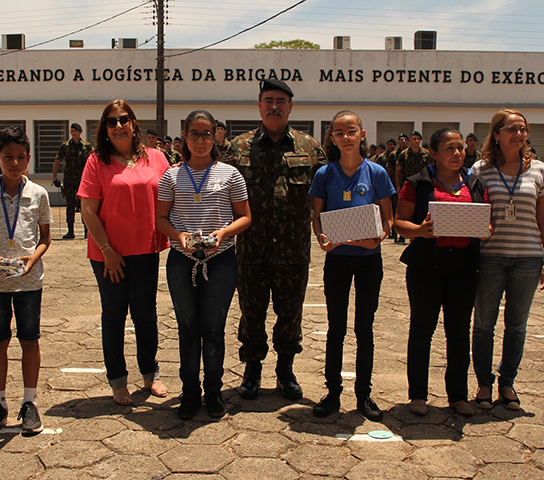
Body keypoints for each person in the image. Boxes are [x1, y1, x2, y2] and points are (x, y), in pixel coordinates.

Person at [226, 79, 326, 401]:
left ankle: (285, 371)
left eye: (281, 101)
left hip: (293, 252)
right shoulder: (238, 147)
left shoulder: (309, 148)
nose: (274, 106)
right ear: (258, 106)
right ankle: (252, 371)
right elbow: (220, 193)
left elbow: (329, 196)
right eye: (268, 100)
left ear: (291, 107)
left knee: (290, 315)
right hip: (251, 251)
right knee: (251, 315)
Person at [156, 110, 251, 420]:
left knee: (213, 328)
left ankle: (213, 392)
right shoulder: (171, 175)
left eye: (206, 133)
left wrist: (222, 233)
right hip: (182, 262)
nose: (200, 140)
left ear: (216, 136)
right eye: (194, 134)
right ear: (185, 137)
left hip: (220, 260)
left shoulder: (230, 174)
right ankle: (190, 393)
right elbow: (159, 219)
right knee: (187, 328)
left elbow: (245, 217)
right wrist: (179, 235)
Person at [78, 99, 169, 406]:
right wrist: (107, 250)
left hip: (145, 250)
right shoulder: (96, 162)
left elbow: (173, 196)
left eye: (124, 119)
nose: (119, 126)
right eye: (112, 121)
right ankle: (118, 380)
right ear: (105, 129)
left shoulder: (155, 157)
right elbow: (88, 211)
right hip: (108, 255)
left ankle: (150, 373)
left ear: (134, 124)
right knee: (115, 315)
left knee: (146, 315)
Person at [394, 128, 488, 417]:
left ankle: (458, 396)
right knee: (422, 330)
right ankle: (418, 396)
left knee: (458, 332)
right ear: (433, 153)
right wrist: (421, 231)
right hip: (426, 267)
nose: (457, 153)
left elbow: (488, 223)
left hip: (464, 268)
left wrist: (483, 230)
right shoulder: (417, 183)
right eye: (449, 148)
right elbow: (399, 223)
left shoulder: (474, 183)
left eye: (460, 148)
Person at [310, 110, 395, 421]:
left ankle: (364, 394)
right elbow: (317, 217)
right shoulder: (325, 174)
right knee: (336, 328)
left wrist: (379, 238)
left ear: (362, 134)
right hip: (337, 260)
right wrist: (321, 237)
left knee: (364, 329)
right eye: (338, 133)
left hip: (369, 260)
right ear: (331, 138)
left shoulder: (376, 173)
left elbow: (388, 218)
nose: (345, 138)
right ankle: (332, 393)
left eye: (351, 132)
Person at [0, 127, 53, 435]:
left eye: (21, 157)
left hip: (29, 282)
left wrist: (33, 258)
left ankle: (30, 402)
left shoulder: (38, 194)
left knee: (30, 339)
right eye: (8, 157)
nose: (15, 163)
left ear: (29, 159)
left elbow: (45, 238)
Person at [471, 109, 544, 411]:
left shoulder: (539, 170)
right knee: (484, 324)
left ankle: (507, 383)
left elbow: (543, 217)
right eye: (511, 129)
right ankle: (484, 384)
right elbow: (473, 214)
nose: (518, 134)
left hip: (528, 257)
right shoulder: (480, 170)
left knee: (517, 325)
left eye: (523, 129)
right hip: (490, 257)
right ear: (496, 134)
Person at [52, 123, 93, 239]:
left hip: (83, 180)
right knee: (70, 205)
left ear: (80, 132)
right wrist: (54, 178)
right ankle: (70, 231)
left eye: (75, 131)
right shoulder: (65, 146)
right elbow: (57, 161)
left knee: (84, 205)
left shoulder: (87, 146)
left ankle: (87, 230)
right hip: (69, 180)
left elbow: (94, 162)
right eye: (72, 131)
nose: (73, 133)